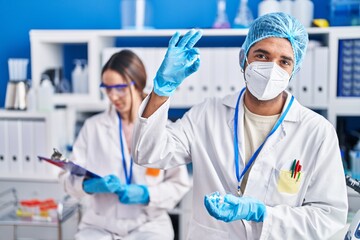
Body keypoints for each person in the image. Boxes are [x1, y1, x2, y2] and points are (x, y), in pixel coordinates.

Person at [131, 13, 348, 239]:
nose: (271, 68)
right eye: (261, 55)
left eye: (284, 61)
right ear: (244, 58)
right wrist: (162, 90)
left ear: (294, 69)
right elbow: (147, 153)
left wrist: (263, 214)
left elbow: (328, 218)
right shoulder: (207, 114)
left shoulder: (317, 132)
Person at [59, 50, 191, 240]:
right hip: (100, 225)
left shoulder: (163, 128)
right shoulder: (93, 127)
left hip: (147, 225)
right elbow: (67, 178)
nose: (112, 97)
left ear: (137, 85)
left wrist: (147, 194)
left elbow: (179, 184)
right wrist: (88, 185)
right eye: (107, 88)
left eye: (120, 88)